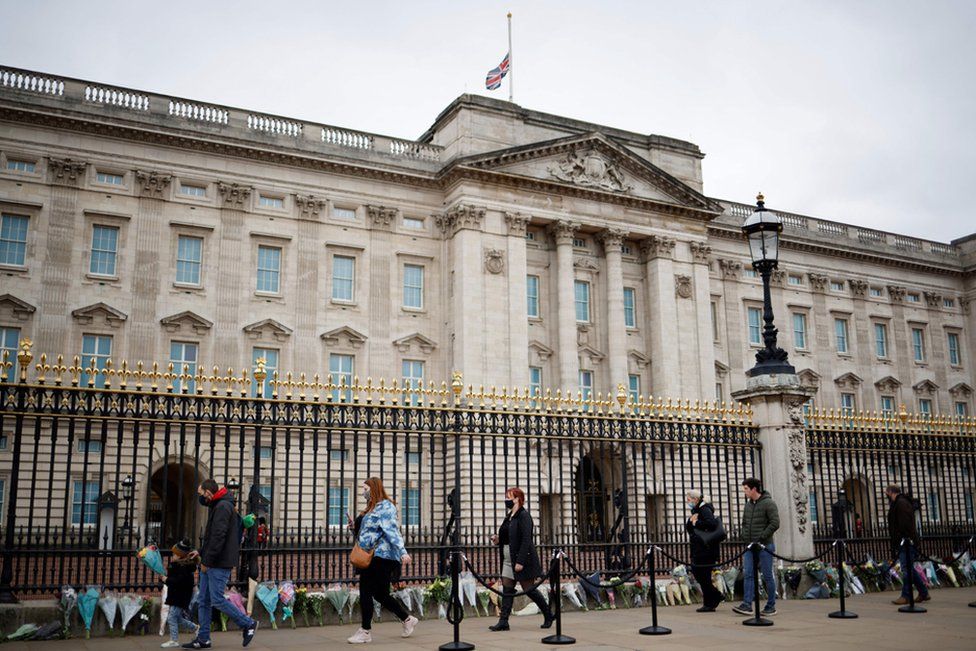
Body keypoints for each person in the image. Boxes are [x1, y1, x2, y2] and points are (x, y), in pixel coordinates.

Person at [182, 479, 257, 650]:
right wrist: (200, 552)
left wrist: (206, 562)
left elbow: (219, 537)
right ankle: (203, 639)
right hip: (212, 560)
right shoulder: (218, 505)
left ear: (209, 492)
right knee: (203, 600)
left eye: (201, 494)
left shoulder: (223, 506)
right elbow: (211, 537)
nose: (200, 498)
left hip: (218, 562)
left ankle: (248, 623)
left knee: (216, 599)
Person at [347, 477, 419, 644]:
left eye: (365, 489)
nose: (363, 492)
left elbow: (392, 531)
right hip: (372, 555)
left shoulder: (385, 507)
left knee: (365, 590)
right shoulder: (372, 508)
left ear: (373, 488)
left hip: (381, 556)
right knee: (380, 594)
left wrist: (403, 552)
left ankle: (365, 631)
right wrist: (353, 528)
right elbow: (367, 534)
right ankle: (407, 619)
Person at [488, 487, 554, 632]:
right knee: (507, 589)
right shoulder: (509, 516)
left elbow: (526, 540)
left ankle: (548, 614)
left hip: (520, 559)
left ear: (517, 498)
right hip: (507, 559)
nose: (506, 499)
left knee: (529, 589)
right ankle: (503, 621)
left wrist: (520, 562)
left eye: (509, 497)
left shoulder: (524, 516)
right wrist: (498, 539)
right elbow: (508, 536)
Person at [732, 477, 780, 617]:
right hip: (750, 546)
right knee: (748, 574)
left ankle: (771, 605)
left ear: (754, 489)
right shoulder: (748, 505)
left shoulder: (769, 503)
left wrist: (762, 536)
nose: (744, 492)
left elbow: (775, 523)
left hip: (765, 545)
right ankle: (747, 604)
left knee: (767, 575)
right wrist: (746, 537)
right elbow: (745, 524)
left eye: (746, 489)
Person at [886, 484, 930, 605]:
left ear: (891, 492)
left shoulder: (901, 503)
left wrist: (903, 537)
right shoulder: (898, 503)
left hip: (906, 541)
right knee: (909, 568)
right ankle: (923, 592)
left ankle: (906, 596)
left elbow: (905, 524)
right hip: (904, 541)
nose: (886, 495)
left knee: (906, 569)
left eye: (887, 492)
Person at [684, 490, 724, 612]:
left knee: (703, 575)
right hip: (699, 548)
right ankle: (715, 596)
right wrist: (692, 523)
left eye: (689, 499)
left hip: (706, 549)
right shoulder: (696, 510)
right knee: (699, 574)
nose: (687, 502)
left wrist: (696, 522)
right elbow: (690, 528)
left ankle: (710, 602)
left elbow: (711, 524)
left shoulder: (704, 509)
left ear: (695, 499)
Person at [162, 539, 200, 648]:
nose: (172, 555)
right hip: (176, 595)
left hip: (181, 596)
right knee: (176, 618)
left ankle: (174, 640)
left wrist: (166, 580)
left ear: (180, 556)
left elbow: (179, 582)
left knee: (172, 617)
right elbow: (172, 580)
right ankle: (195, 628)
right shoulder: (177, 565)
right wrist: (164, 578)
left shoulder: (185, 568)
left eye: (174, 554)